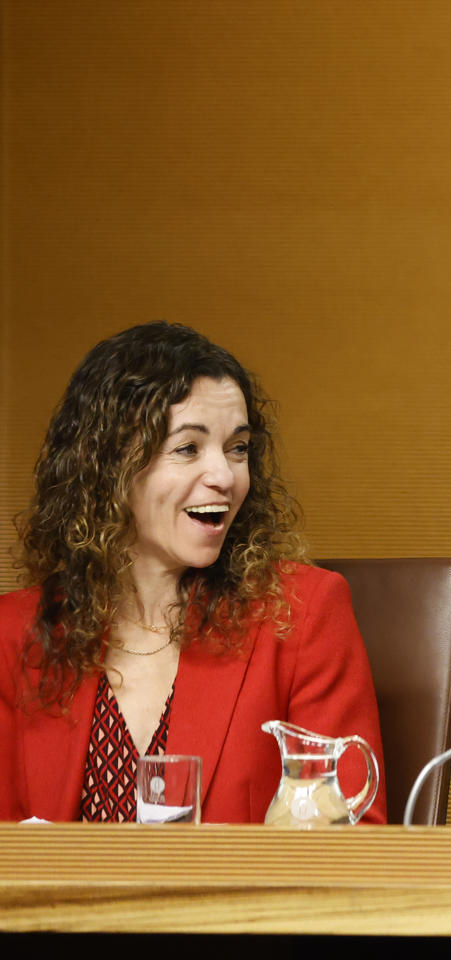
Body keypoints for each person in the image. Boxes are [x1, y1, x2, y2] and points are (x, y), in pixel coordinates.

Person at [1, 322, 384, 823]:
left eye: (238, 448)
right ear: (109, 467)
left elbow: (351, 842)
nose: (225, 476)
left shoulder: (303, 613)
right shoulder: (15, 634)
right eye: (187, 448)